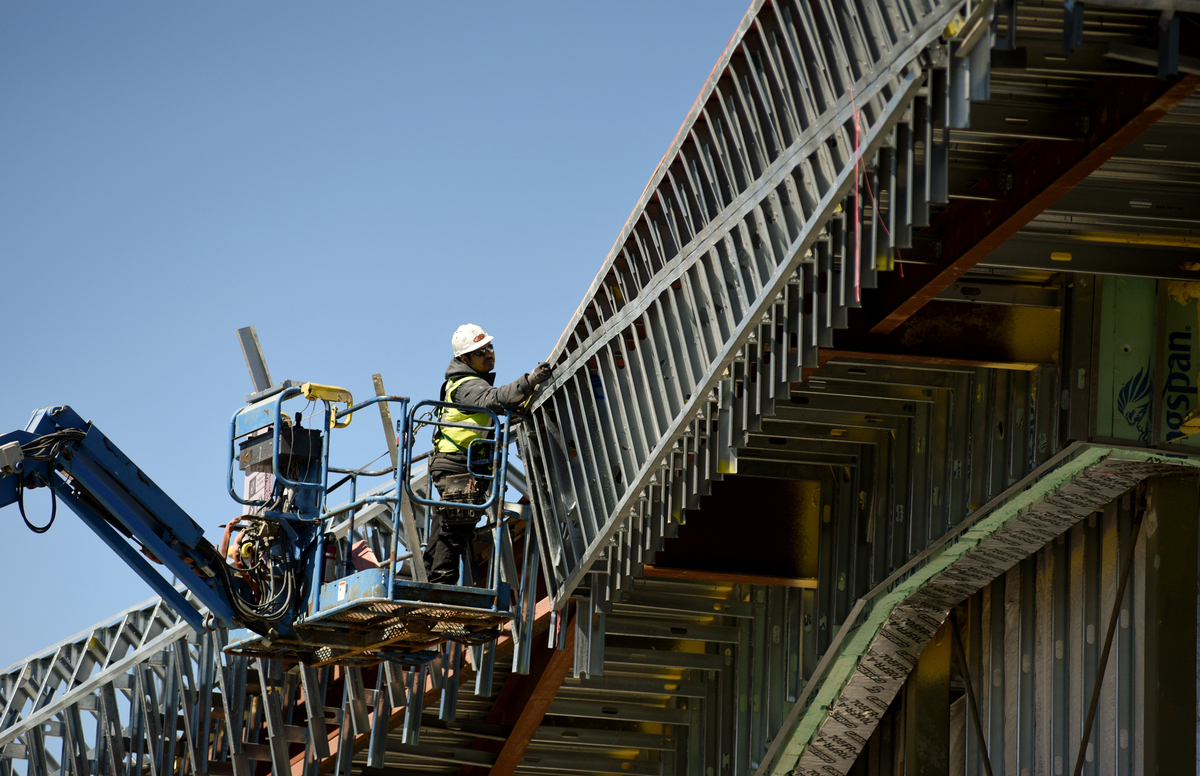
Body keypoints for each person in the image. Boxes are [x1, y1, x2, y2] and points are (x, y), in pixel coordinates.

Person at [422, 323, 553, 585]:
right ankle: (441, 591)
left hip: (456, 462)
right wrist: (528, 382)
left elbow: (487, 413)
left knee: (447, 524)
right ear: (464, 359)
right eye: (480, 351)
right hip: (457, 462)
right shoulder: (467, 385)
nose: (489, 353)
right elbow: (493, 399)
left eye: (489, 347)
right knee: (457, 526)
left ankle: (429, 585)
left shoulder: (467, 384)